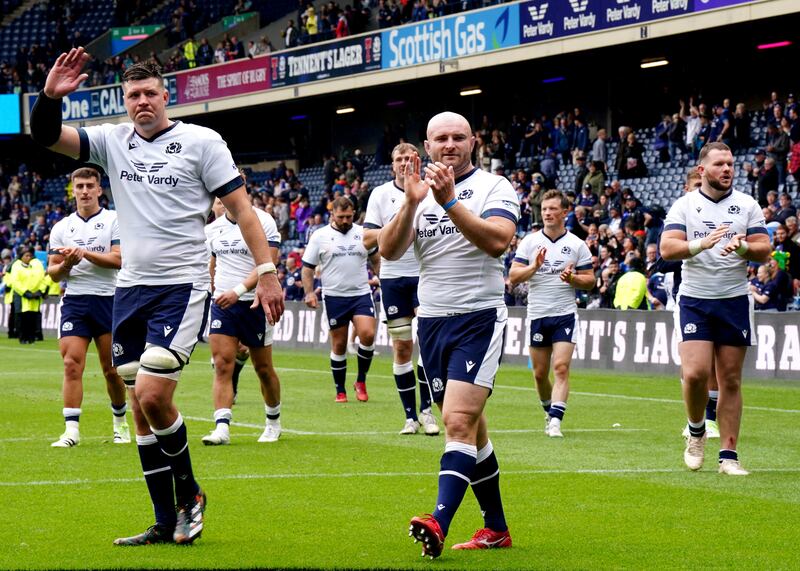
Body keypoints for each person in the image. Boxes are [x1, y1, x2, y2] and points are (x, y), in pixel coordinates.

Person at [30, 50, 284, 545]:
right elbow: (45, 135)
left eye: (149, 93)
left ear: (166, 96)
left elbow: (243, 211)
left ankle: (190, 493)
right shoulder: (110, 141)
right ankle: (163, 521)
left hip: (181, 287)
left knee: (151, 394)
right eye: (132, 96)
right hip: (129, 290)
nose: (141, 102)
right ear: (124, 101)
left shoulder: (202, 142)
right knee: (140, 407)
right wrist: (48, 97)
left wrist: (268, 272)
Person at [379, 112, 519, 557]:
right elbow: (389, 250)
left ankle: (437, 521)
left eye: (459, 137)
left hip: (479, 317)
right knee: (471, 431)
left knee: (456, 422)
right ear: (427, 145)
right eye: (441, 138)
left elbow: (498, 241)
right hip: (433, 322)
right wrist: (411, 202)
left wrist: (449, 201)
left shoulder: (495, 187)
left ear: (474, 142)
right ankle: (495, 528)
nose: (450, 144)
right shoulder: (415, 194)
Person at [661, 142, 770, 476]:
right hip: (695, 299)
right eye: (720, 164)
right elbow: (667, 248)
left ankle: (729, 457)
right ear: (702, 170)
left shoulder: (747, 204)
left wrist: (744, 248)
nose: (727, 169)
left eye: (731, 164)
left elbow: (764, 249)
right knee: (694, 374)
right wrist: (701, 244)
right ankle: (696, 431)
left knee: (730, 380)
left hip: (734, 300)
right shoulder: (685, 205)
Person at [47, 167, 129, 448]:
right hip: (76, 301)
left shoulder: (114, 220)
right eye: (79, 186)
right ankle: (71, 431)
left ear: (98, 190)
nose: (83, 191)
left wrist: (85, 254)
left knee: (112, 370)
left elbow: (118, 260)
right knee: (71, 365)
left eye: (89, 186)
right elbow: (53, 273)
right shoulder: (61, 227)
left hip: (109, 299)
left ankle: (120, 423)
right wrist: (66, 264)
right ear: (73, 190)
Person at [363, 142, 440, 435]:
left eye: (410, 157)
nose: (404, 162)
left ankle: (427, 411)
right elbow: (367, 238)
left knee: (428, 344)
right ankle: (410, 416)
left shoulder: (432, 190)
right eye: (399, 158)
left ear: (418, 160)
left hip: (425, 275)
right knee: (403, 347)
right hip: (394, 278)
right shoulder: (380, 195)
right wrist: (396, 226)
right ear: (392, 164)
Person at [508, 190, 594, 438]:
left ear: (565, 213)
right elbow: (513, 277)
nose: (547, 213)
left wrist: (573, 278)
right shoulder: (530, 241)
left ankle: (556, 420)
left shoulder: (577, 245)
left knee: (561, 367)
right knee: (539, 373)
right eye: (544, 209)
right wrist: (534, 266)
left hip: (564, 314)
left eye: (553, 209)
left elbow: (590, 281)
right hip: (537, 314)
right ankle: (548, 410)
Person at [201, 198, 283, 445]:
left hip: (256, 302)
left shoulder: (264, 221)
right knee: (222, 364)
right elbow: (213, 263)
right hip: (223, 304)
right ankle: (222, 427)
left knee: (263, 369)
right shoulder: (212, 229)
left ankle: (272, 422)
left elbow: (269, 263)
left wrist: (237, 290)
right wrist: (213, 290)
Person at [302, 197, 379, 403]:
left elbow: (375, 258)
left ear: (353, 213)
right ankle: (340, 390)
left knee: (368, 335)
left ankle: (361, 380)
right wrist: (309, 293)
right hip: (334, 296)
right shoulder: (320, 236)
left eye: (348, 216)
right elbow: (307, 268)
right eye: (341, 216)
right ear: (332, 215)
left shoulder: (363, 233)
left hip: (361, 294)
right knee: (339, 344)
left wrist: (381, 278)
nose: (345, 220)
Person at [7, 247, 46, 343]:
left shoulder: (33, 267)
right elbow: (15, 281)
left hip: (33, 295)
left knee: (32, 317)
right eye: (26, 255)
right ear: (21, 257)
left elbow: (41, 279)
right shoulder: (17, 265)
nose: (29, 257)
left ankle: (31, 337)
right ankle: (22, 337)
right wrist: (25, 292)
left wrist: (40, 291)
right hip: (21, 295)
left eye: (30, 255)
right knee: (21, 317)